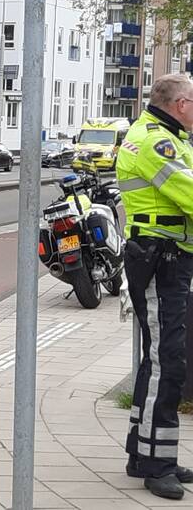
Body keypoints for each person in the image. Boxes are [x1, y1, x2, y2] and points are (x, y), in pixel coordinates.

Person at [117, 74, 193, 500]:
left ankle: (143, 453)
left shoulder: (163, 134)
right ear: (181, 103)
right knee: (168, 361)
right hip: (160, 259)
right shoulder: (156, 142)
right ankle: (156, 465)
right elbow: (190, 193)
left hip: (164, 257)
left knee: (157, 359)